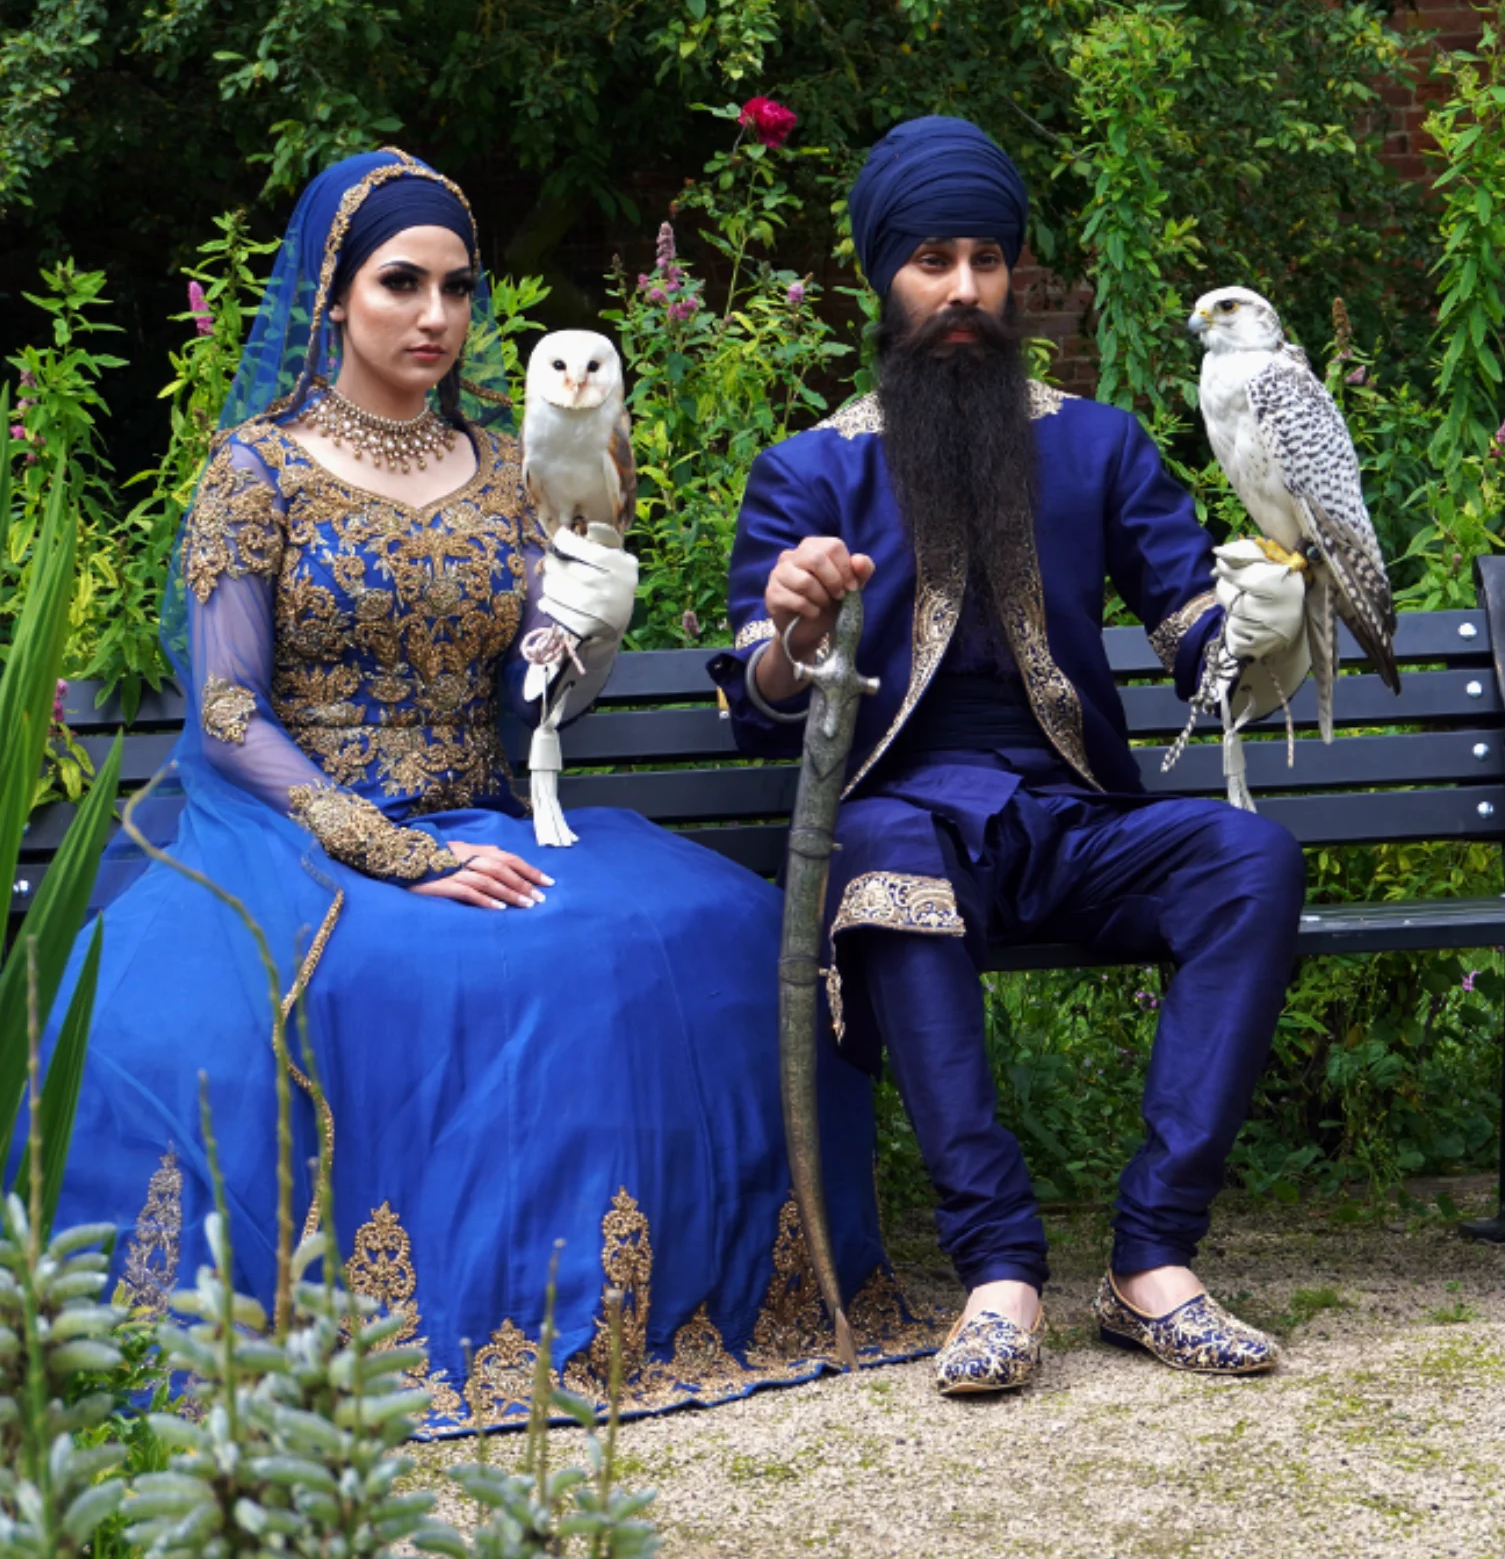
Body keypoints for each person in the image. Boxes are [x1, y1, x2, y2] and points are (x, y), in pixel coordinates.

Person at [30, 150, 937, 1433]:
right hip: (303, 833)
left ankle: (640, 1307)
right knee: (412, 960)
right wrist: (391, 851)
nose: (435, 316)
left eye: (457, 288)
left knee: (706, 929)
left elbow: (532, 699)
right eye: (401, 284)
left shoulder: (512, 467)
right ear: (334, 294)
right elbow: (227, 711)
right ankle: (413, 1329)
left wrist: (584, 627)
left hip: (489, 812)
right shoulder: (257, 469)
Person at [709, 116, 1310, 1395]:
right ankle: (997, 1271)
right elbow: (761, 702)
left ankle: (1152, 1260)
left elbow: (1194, 638)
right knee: (881, 843)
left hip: (1073, 824)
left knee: (1248, 857)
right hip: (909, 830)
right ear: (882, 279)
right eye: (932, 261)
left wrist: (1260, 622)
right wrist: (793, 631)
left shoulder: (1097, 444)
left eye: (986, 260)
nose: (965, 290)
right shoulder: (809, 472)